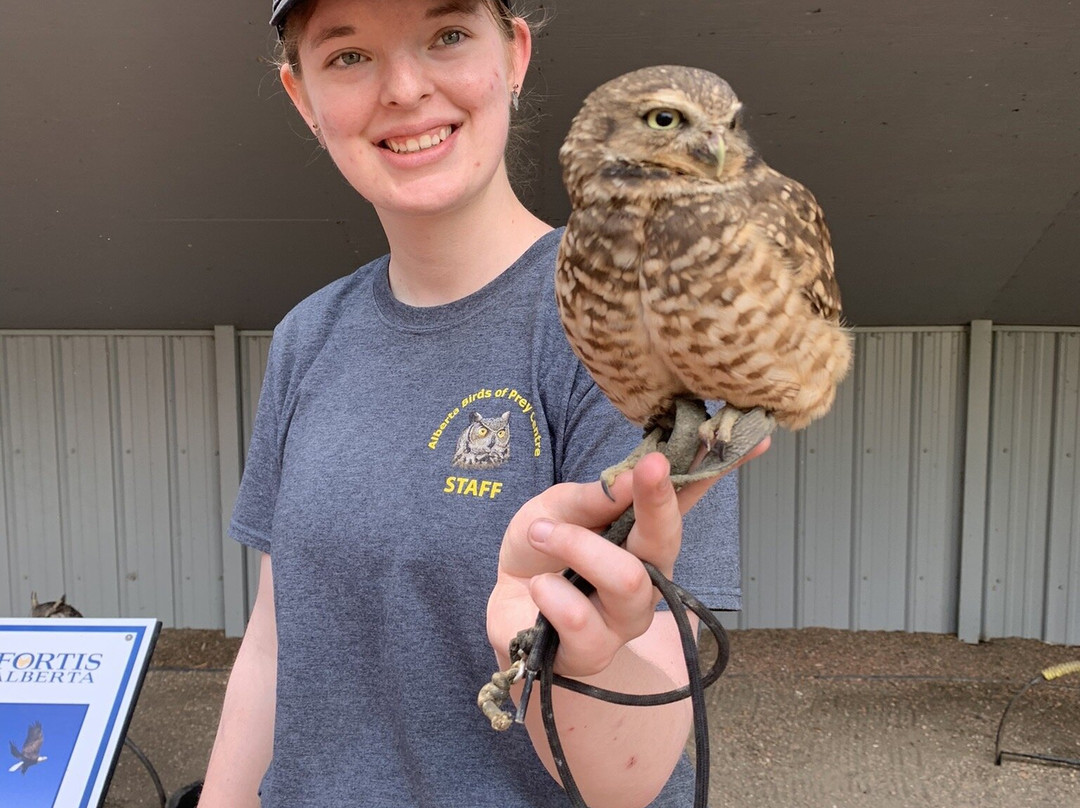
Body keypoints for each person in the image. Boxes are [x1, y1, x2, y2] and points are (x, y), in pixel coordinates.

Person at [199, 1, 765, 806]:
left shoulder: (629, 323)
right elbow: (274, 641)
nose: (403, 88)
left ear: (514, 54)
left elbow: (631, 779)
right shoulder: (308, 337)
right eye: (349, 56)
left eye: (448, 35)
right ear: (304, 99)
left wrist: (588, 666)